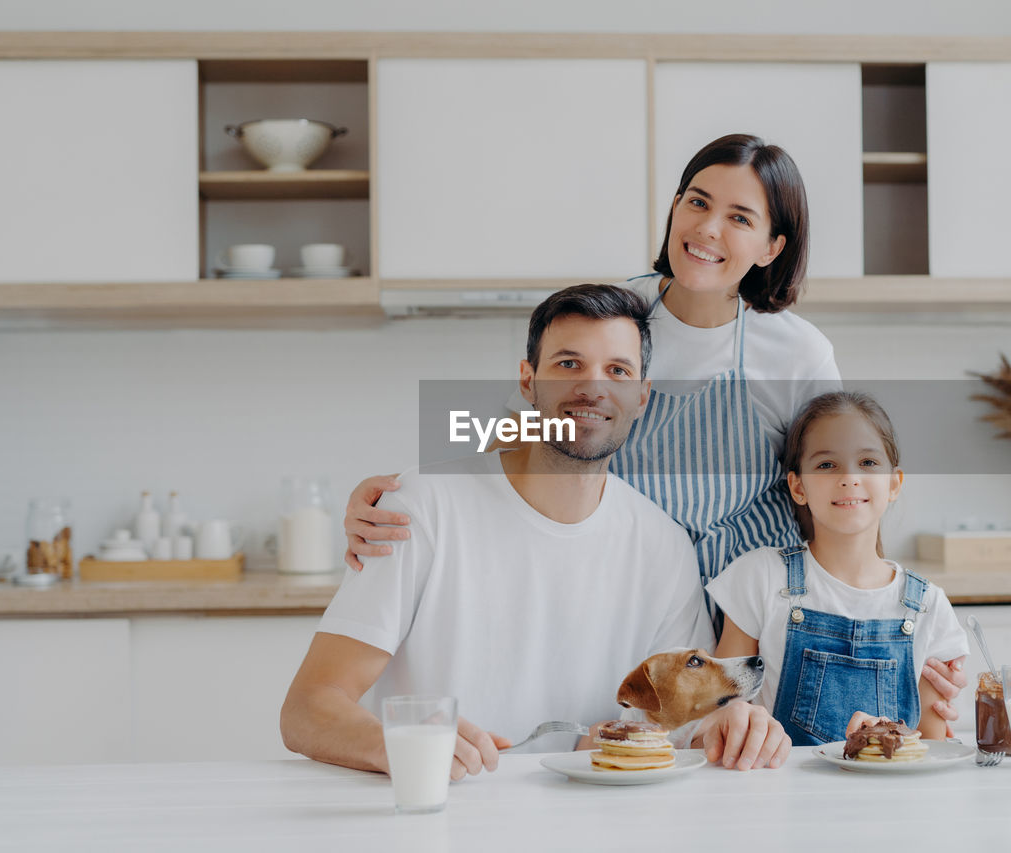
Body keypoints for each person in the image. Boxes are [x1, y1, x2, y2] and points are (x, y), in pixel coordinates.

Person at [343, 133, 967, 724]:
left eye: (740, 218)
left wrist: (878, 616)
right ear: (674, 208)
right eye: (697, 202)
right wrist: (401, 488)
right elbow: (513, 425)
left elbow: (839, 489)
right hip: (627, 600)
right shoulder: (615, 318)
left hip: (750, 624)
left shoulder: (797, 352)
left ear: (771, 248)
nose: (707, 228)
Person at [281, 284, 791, 781]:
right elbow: (308, 707)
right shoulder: (422, 506)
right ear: (528, 382)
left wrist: (732, 722)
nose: (593, 387)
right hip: (437, 814)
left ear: (641, 396)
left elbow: (684, 721)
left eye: (617, 370)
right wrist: (404, 744)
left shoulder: (664, 546)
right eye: (568, 364)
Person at [706, 391, 971, 745]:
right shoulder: (760, 577)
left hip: (892, 798)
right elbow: (718, 714)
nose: (849, 477)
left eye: (867, 462)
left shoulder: (929, 606)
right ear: (798, 486)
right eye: (826, 465)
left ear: (894, 483)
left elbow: (931, 747)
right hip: (777, 793)